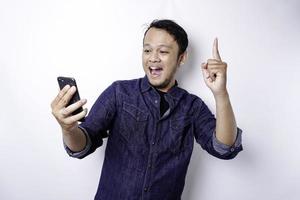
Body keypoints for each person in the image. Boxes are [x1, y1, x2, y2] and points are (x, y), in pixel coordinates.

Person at [51, 19, 243, 200]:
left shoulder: (192, 106)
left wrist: (221, 93)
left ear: (181, 58)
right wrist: (68, 129)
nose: (153, 58)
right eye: (147, 50)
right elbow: (82, 145)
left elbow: (224, 148)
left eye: (163, 52)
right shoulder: (119, 93)